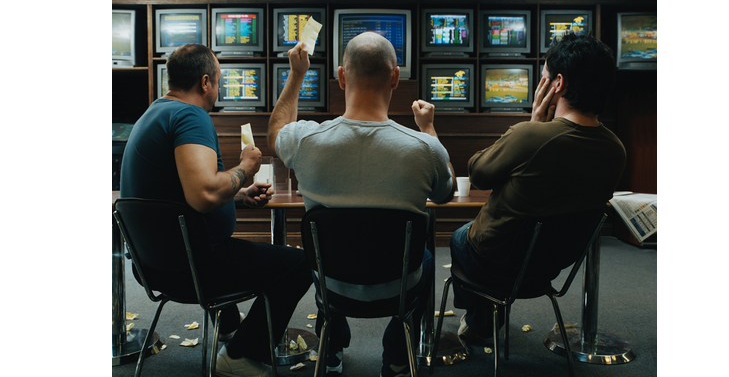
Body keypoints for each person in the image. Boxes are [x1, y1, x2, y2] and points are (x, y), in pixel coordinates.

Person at [268, 32, 456, 377]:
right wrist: (428, 128)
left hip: (333, 285)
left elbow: (275, 131)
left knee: (327, 255)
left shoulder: (306, 140)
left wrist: (296, 74)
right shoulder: (424, 148)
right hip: (398, 287)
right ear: (396, 77)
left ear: (341, 77)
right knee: (426, 257)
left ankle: (332, 347)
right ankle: (399, 356)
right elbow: (445, 192)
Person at [120, 43, 312, 377]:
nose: (219, 89)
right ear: (205, 82)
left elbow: (177, 196)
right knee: (298, 265)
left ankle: (229, 334)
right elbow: (205, 195)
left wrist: (239, 194)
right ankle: (239, 355)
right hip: (192, 270)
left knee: (226, 251)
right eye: (219, 81)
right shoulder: (189, 115)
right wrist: (246, 169)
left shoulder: (153, 113)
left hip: (152, 267)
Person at [450, 33, 627, 346]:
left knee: (459, 237)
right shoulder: (616, 150)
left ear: (557, 84)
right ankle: (486, 312)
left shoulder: (530, 137)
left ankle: (481, 321)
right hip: (548, 269)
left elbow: (478, 174)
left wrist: (532, 122)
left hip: (497, 262)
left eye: (544, 78)